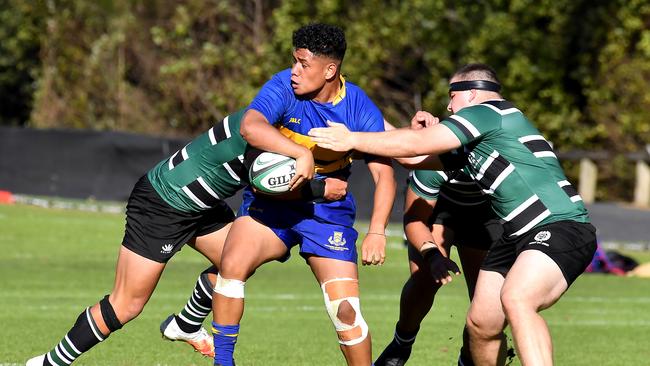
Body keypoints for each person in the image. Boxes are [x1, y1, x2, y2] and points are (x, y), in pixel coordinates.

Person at [309, 63, 597, 365]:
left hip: (559, 225)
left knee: (517, 298)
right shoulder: (477, 141)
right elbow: (414, 156)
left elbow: (417, 144)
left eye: (452, 96)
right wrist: (359, 109)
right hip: (514, 238)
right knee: (482, 324)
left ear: (472, 94)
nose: (448, 105)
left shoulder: (489, 113)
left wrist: (352, 139)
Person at [26, 109, 346, 366]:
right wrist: (319, 189)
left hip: (202, 206)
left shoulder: (277, 117)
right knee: (126, 304)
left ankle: (186, 325)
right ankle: (48, 363)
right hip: (163, 203)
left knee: (236, 263)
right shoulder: (263, 129)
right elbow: (264, 179)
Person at [211, 23, 396, 366]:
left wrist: (377, 231)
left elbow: (385, 175)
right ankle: (223, 362)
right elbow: (251, 126)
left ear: (330, 70)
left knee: (346, 312)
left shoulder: (357, 105)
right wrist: (301, 153)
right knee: (231, 266)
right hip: (273, 202)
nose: (294, 71)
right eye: (294, 61)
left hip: (327, 210)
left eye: (304, 65)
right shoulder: (283, 85)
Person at [375, 166, 503, 366]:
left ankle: (468, 359)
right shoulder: (435, 159)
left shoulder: (504, 154)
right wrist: (433, 256)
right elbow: (415, 220)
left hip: (488, 211)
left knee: (489, 304)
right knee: (426, 277)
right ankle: (401, 344)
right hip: (439, 204)